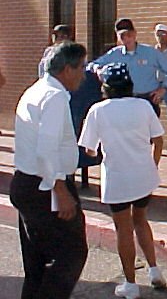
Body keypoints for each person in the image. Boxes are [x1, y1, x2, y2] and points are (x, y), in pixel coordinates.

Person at [79, 63, 166, 299]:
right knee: (141, 220)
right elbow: (158, 140)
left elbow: (89, 149)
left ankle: (131, 283)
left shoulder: (98, 110)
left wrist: (100, 151)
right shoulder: (143, 106)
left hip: (117, 177)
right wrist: (153, 164)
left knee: (123, 228)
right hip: (144, 175)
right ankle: (154, 269)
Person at [10, 41, 89, 299]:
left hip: (27, 183)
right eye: (81, 67)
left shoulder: (36, 90)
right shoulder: (54, 96)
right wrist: (60, 191)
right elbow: (46, 149)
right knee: (72, 254)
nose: (84, 74)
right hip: (44, 186)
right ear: (67, 70)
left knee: (38, 264)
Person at [89, 18, 167, 116]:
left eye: (129, 35)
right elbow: (91, 65)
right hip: (124, 102)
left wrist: (163, 89)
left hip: (147, 99)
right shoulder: (114, 54)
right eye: (122, 36)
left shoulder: (150, 52)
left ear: (135, 34)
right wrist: (98, 70)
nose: (126, 39)